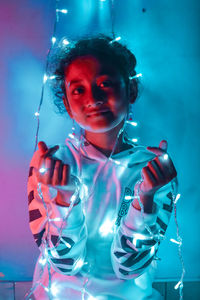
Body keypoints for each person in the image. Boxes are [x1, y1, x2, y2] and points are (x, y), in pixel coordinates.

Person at [27, 35, 177, 300]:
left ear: (130, 90)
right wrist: (63, 200)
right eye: (78, 89)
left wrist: (146, 199)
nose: (93, 97)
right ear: (68, 105)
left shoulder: (155, 168)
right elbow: (64, 264)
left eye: (105, 84)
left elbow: (130, 268)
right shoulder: (50, 164)